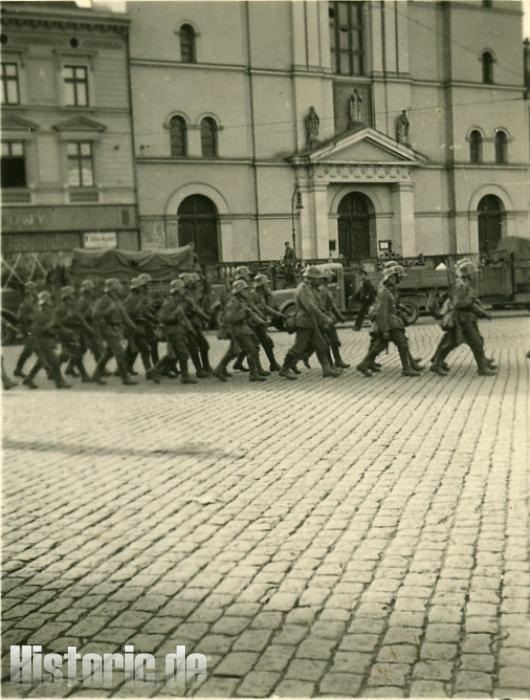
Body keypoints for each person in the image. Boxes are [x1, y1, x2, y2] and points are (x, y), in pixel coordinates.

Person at [430, 259, 497, 376]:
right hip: (461, 319)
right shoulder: (461, 285)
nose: (474, 274)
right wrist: (474, 304)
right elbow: (458, 303)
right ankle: (482, 368)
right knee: (474, 342)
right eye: (472, 272)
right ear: (468, 273)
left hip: (464, 318)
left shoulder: (463, 284)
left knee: (454, 343)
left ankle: (436, 364)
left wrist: (478, 307)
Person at [356, 263, 421, 377]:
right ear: (390, 278)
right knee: (401, 343)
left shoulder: (387, 290)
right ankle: (406, 368)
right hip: (390, 323)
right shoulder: (384, 292)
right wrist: (385, 329)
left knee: (380, 345)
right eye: (395, 277)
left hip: (391, 322)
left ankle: (364, 364)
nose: (397, 280)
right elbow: (382, 312)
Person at [279, 266, 341, 380]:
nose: (320, 281)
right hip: (304, 323)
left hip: (311, 322)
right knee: (298, 347)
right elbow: (310, 306)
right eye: (318, 278)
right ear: (311, 278)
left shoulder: (311, 288)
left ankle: (327, 369)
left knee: (322, 345)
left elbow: (318, 305)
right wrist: (324, 318)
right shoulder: (303, 289)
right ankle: (284, 368)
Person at [213, 279, 268, 382]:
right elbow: (230, 318)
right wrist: (243, 313)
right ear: (239, 291)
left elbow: (250, 312)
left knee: (233, 352)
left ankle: (218, 369)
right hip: (238, 330)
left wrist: (261, 321)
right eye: (244, 290)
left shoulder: (241, 301)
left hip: (243, 329)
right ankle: (253, 374)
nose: (247, 292)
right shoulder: (234, 302)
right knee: (251, 349)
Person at [90, 278, 138, 386]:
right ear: (113, 288)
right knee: (120, 352)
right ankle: (125, 378)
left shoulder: (117, 300)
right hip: (108, 328)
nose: (119, 289)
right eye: (117, 287)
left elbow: (124, 315)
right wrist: (108, 311)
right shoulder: (105, 299)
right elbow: (95, 314)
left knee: (108, 353)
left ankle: (96, 375)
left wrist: (131, 325)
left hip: (117, 329)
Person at [22, 290, 71, 390]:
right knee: (55, 362)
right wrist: (49, 325)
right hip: (43, 341)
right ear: (45, 302)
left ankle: (29, 378)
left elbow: (57, 324)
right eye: (49, 299)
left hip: (50, 341)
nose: (51, 301)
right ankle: (59, 382)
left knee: (40, 362)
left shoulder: (50, 312)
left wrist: (66, 331)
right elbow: (35, 330)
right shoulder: (39, 314)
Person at [152, 278, 197, 384]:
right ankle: (184, 376)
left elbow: (183, 318)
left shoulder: (177, 302)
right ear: (177, 291)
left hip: (177, 330)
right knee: (183, 353)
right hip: (172, 331)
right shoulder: (170, 302)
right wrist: (174, 316)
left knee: (174, 354)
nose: (184, 291)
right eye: (182, 289)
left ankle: (154, 370)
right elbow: (162, 317)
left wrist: (190, 329)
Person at [124, 276, 161, 383]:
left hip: (140, 327)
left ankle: (124, 368)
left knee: (137, 350)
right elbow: (126, 314)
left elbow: (145, 312)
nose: (143, 288)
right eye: (141, 286)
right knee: (145, 349)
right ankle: (150, 373)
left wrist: (155, 320)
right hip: (133, 327)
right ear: (136, 288)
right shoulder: (130, 299)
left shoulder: (139, 297)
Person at [55, 285, 91, 383]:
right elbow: (56, 322)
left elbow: (80, 318)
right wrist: (67, 320)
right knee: (76, 353)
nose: (74, 296)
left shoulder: (73, 306)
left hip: (76, 332)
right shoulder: (61, 309)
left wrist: (89, 328)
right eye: (72, 294)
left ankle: (60, 369)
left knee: (80, 350)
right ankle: (84, 375)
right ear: (67, 297)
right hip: (66, 333)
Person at [180, 272, 212, 376]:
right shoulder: (183, 294)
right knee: (193, 347)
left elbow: (196, 307)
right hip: (186, 325)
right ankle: (199, 369)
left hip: (194, 323)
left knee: (204, 345)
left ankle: (206, 367)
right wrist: (205, 317)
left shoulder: (190, 293)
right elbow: (193, 308)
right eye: (190, 281)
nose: (193, 283)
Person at [252, 273, 284, 372]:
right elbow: (265, 308)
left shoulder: (260, 294)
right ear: (262, 286)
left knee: (268, 343)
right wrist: (279, 315)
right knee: (254, 347)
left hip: (260, 323)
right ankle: (259, 368)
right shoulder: (257, 295)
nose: (268, 287)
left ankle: (272, 364)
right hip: (256, 324)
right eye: (266, 285)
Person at [318, 269, 349, 369]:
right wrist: (326, 319)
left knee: (334, 341)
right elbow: (322, 306)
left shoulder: (326, 289)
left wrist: (339, 316)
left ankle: (338, 360)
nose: (331, 278)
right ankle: (330, 364)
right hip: (326, 319)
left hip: (330, 318)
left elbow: (332, 305)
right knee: (327, 342)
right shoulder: (322, 290)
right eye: (329, 277)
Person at [13, 281, 38, 378]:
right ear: (29, 291)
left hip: (35, 328)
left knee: (39, 349)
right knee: (28, 350)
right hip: (28, 328)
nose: (36, 291)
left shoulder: (35, 300)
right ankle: (18, 369)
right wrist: (31, 317)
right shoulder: (26, 302)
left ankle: (49, 370)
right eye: (34, 289)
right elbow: (20, 316)